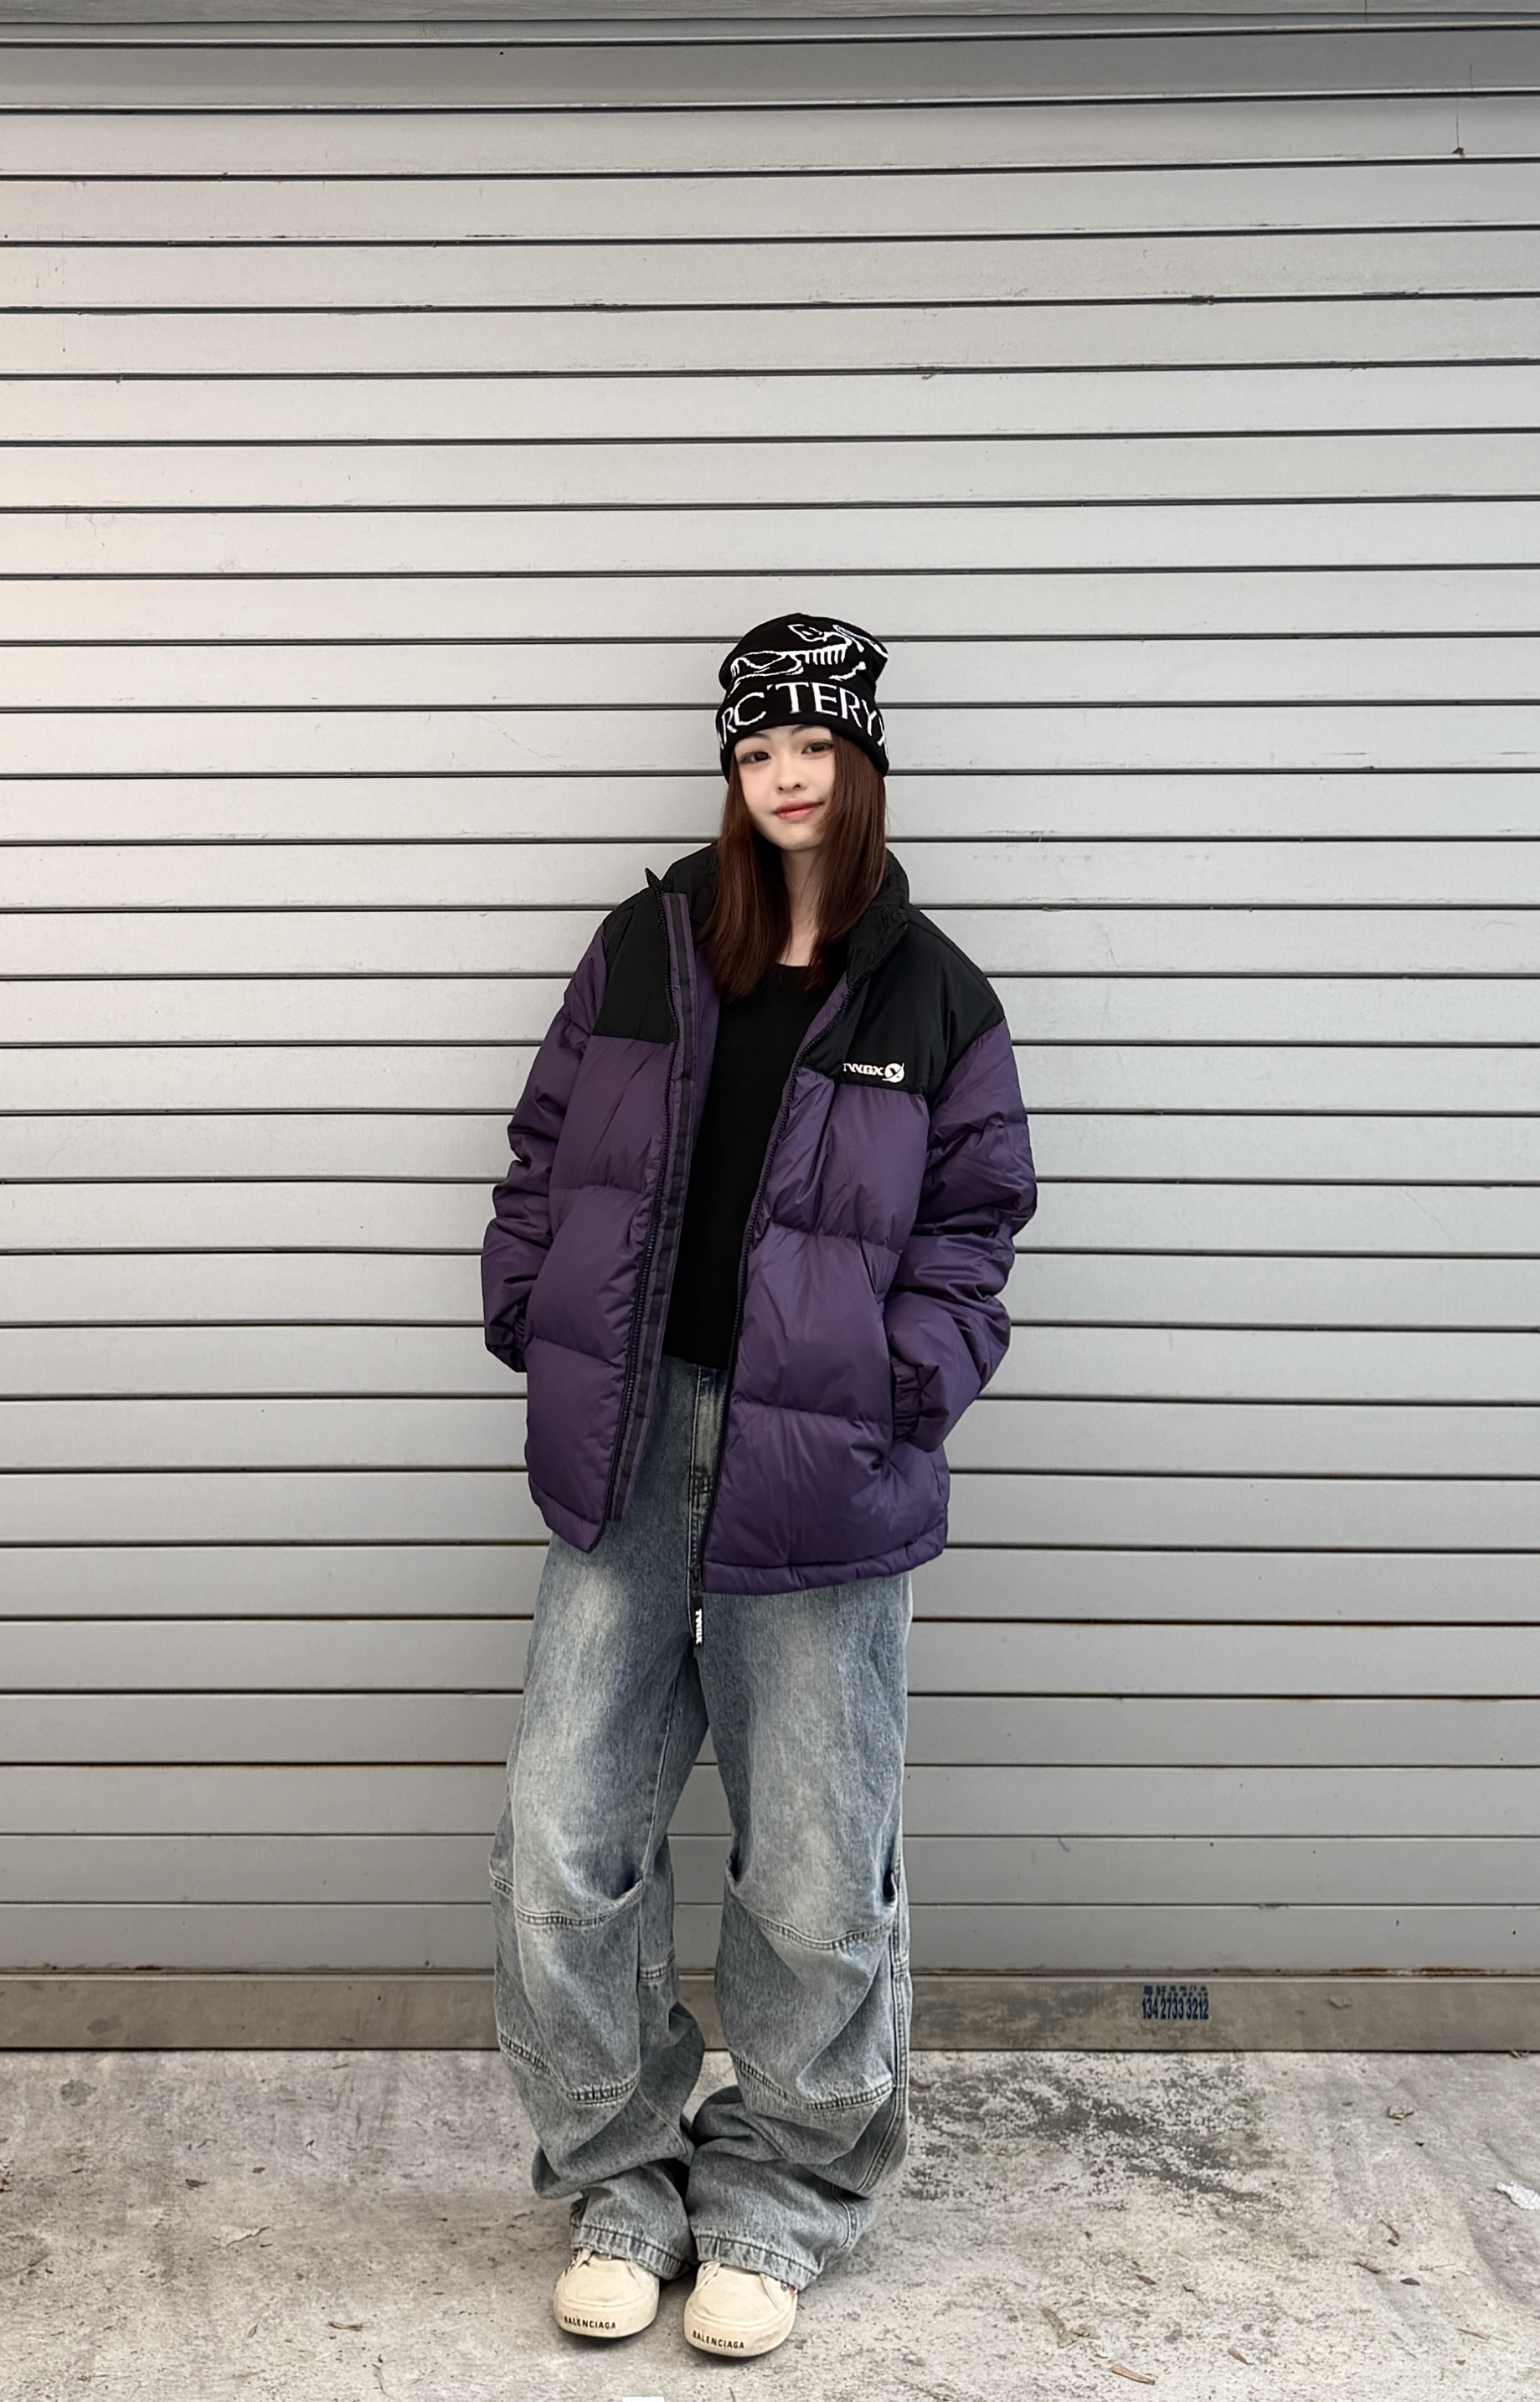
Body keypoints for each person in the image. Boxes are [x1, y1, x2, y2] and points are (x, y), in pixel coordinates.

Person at [481, 613, 1036, 2358]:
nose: (785, 774)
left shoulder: (931, 994)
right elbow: (542, 1150)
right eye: (756, 748)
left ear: (859, 763)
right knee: (564, 1839)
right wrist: (529, 1310)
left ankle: (784, 2193)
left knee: (812, 1866)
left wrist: (895, 1391)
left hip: (823, 1469)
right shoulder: (644, 949)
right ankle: (620, 2178)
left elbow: (975, 1227)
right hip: (630, 1444)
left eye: (813, 744)